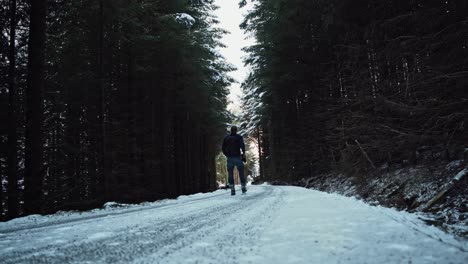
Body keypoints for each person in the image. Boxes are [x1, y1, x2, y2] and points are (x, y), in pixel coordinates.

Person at [222, 126, 247, 195]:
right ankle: (243, 187)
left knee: (230, 174)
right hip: (238, 157)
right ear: (236, 130)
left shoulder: (226, 138)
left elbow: (223, 148)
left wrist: (226, 154)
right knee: (241, 173)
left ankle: (232, 189)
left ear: (231, 130)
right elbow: (242, 146)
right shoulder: (239, 137)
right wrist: (243, 154)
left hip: (229, 158)